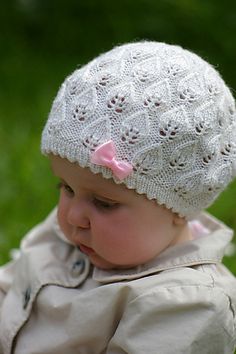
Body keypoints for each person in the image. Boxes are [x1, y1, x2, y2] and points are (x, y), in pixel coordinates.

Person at [0, 41, 236, 354]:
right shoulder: (70, 236)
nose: (72, 216)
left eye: (104, 203)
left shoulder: (187, 304)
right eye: (66, 188)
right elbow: (9, 287)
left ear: (178, 208)